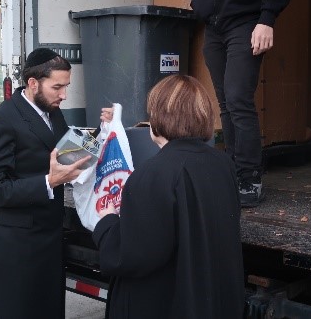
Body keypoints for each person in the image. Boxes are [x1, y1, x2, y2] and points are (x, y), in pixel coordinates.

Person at [92, 74, 245, 318]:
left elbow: (131, 257)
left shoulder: (153, 173)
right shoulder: (222, 163)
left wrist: (107, 222)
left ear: (160, 117)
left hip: (165, 304)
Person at [0, 47, 93, 319]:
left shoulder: (53, 111)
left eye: (66, 86)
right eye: (57, 87)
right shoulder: (1, 119)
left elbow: (64, 152)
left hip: (49, 236)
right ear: (33, 83)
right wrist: (48, 182)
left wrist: (99, 135)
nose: (64, 95)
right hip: (16, 244)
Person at [190, 0, 297, 207]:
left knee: (238, 98)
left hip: (247, 22)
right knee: (226, 103)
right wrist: (199, 0)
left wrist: (267, 18)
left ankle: (249, 178)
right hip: (214, 26)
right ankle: (233, 171)